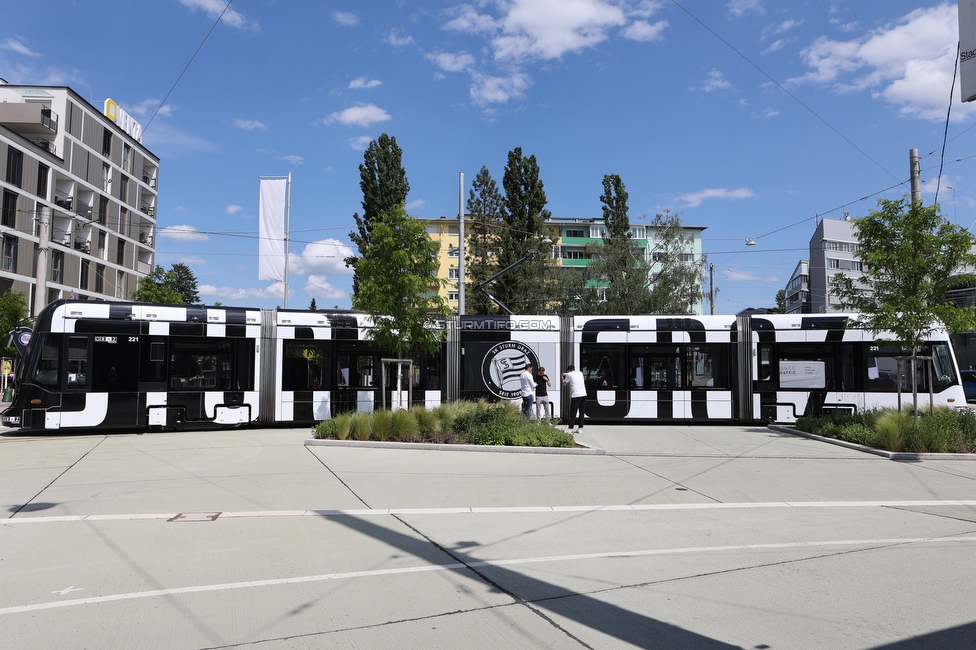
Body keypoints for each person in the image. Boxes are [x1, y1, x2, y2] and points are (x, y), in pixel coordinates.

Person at [562, 364, 586, 433]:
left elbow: (564, 384)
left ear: (568, 370)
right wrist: (566, 373)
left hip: (576, 396)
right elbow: (573, 374)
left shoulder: (569, 375)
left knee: (573, 412)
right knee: (581, 412)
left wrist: (563, 377)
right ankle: (580, 428)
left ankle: (570, 428)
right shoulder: (580, 373)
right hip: (584, 394)